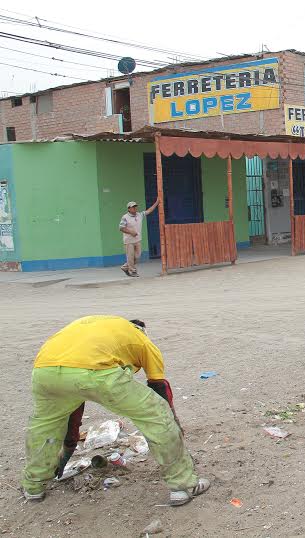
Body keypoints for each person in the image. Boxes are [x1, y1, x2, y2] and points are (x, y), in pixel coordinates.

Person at [21, 316, 210, 506]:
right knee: (156, 415)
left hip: (44, 371)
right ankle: (183, 485)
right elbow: (159, 386)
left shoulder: (101, 327)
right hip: (96, 373)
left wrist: (69, 445)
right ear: (142, 330)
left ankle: (33, 486)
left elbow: (74, 399)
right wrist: (173, 422)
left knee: (44, 426)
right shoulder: (142, 339)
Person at [119, 200, 158, 277]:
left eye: (135, 207)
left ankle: (125, 267)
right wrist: (131, 232)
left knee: (137, 256)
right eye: (133, 207)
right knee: (130, 256)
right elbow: (121, 228)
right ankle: (133, 271)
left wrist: (156, 202)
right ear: (129, 209)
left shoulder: (139, 215)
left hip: (137, 240)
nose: (135, 208)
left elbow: (149, 211)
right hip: (129, 240)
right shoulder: (125, 217)